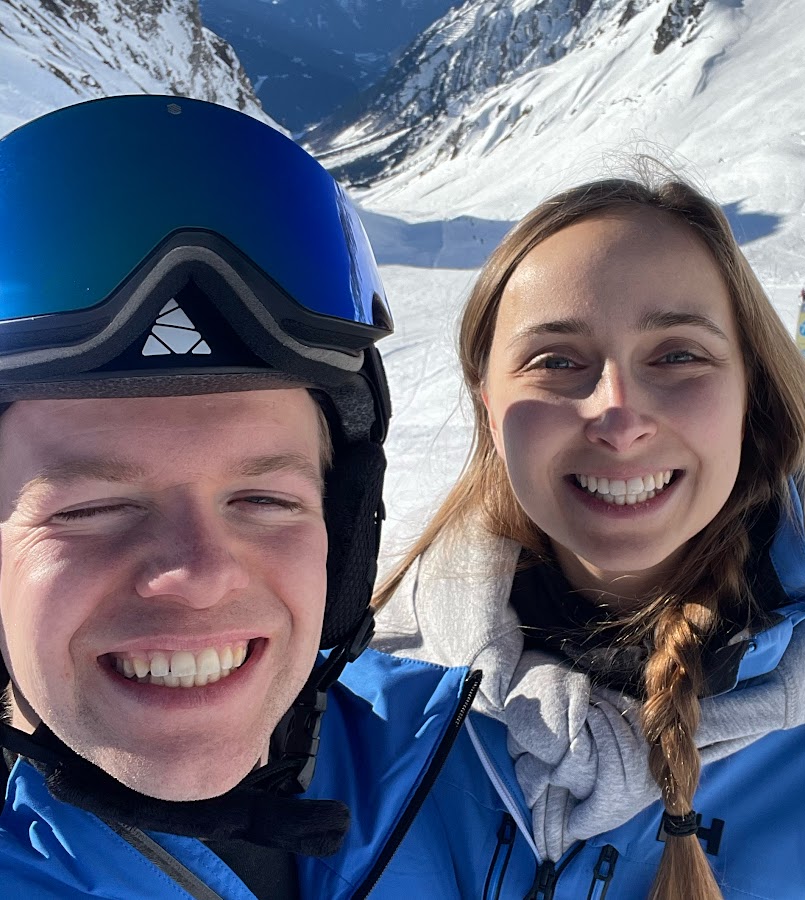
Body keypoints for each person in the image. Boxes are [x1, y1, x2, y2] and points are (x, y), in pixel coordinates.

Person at [0, 95, 479, 899]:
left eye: (264, 499)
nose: (198, 576)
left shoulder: (481, 763)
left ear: (342, 529)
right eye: (89, 510)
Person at [372, 177, 805, 898]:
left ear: (750, 393)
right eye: (556, 360)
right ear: (488, 405)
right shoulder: (364, 692)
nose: (620, 419)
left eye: (678, 355)